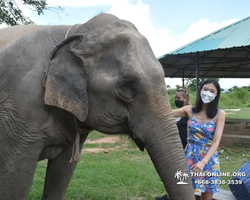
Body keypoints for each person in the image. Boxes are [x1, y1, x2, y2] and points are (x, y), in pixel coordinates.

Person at [173, 79, 225, 200]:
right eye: (205, 89)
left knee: (206, 197)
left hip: (209, 160)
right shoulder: (188, 110)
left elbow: (216, 142)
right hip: (189, 156)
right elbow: (165, 113)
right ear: (200, 90)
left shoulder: (219, 114)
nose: (208, 93)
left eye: (212, 91)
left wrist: (203, 162)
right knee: (183, 192)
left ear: (216, 95)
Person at [155, 86, 191, 200]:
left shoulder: (190, 111)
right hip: (178, 148)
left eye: (178, 97)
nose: (176, 99)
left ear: (185, 98)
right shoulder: (179, 112)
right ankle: (171, 196)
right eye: (175, 97)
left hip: (187, 148)